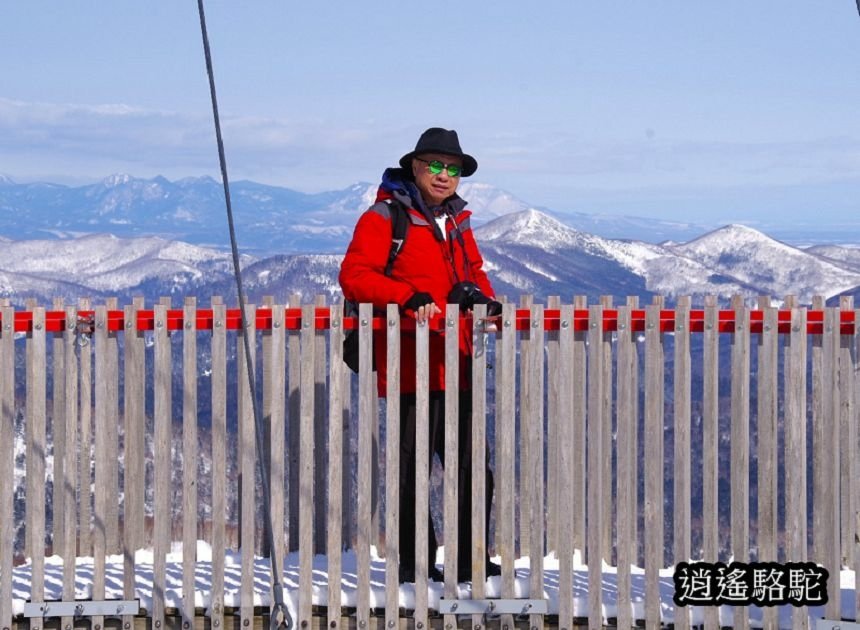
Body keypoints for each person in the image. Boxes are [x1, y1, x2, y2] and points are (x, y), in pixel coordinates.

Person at [339, 127, 502, 583]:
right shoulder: (384, 217)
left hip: (459, 364)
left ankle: (470, 558)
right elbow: (354, 275)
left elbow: (473, 273)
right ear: (414, 167)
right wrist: (407, 296)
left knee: (472, 469)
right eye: (435, 165)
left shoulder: (458, 221)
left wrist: (486, 302)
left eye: (451, 168)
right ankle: (414, 562)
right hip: (409, 365)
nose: (444, 174)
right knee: (413, 469)